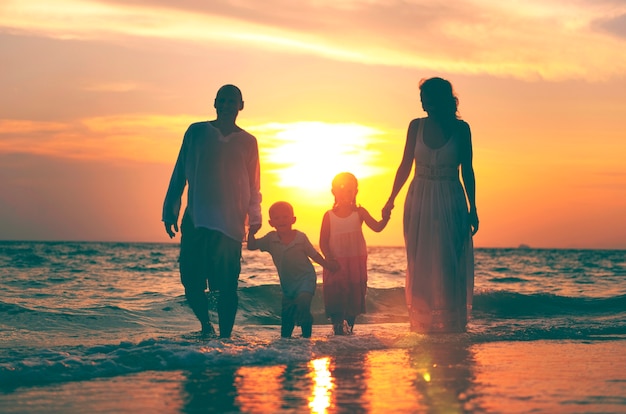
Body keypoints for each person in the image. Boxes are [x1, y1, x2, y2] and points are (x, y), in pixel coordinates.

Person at [162, 84, 262, 338]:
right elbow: (180, 171)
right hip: (196, 220)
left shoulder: (248, 142)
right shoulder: (196, 132)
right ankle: (206, 325)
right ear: (215, 103)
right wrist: (170, 209)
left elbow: (253, 185)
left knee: (227, 287)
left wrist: (256, 219)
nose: (228, 106)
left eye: (233, 101)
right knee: (191, 282)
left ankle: (225, 339)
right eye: (223, 101)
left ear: (241, 106)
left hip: (230, 226)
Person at [382, 77, 478, 333]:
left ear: (439, 99)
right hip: (419, 197)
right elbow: (404, 165)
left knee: (449, 261)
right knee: (419, 261)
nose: (422, 102)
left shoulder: (462, 129)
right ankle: (424, 325)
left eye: (426, 97)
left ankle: (450, 324)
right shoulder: (416, 126)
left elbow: (467, 169)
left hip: (451, 197)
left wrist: (474, 207)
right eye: (421, 98)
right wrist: (390, 199)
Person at [247, 201, 338, 338]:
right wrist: (251, 232)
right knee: (287, 319)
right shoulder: (270, 239)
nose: (281, 220)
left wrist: (328, 265)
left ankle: (306, 338)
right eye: (277, 218)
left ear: (293, 219)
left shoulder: (300, 238)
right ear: (271, 223)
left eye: (285, 217)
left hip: (306, 279)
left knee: (303, 304)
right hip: (287, 286)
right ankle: (286, 345)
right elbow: (252, 246)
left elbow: (314, 255)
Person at [320, 172, 390, 335]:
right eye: (341, 190)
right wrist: (329, 258)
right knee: (336, 299)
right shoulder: (328, 216)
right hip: (335, 264)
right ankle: (338, 333)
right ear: (334, 192)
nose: (345, 194)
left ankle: (349, 334)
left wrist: (386, 217)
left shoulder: (360, 212)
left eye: (349, 190)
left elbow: (377, 227)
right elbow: (323, 241)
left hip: (355, 263)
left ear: (355, 192)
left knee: (352, 301)